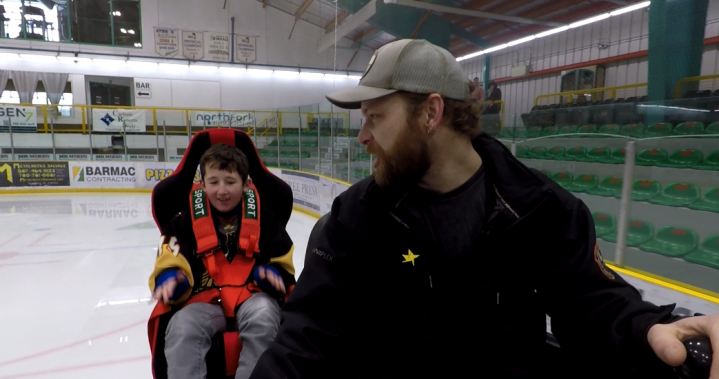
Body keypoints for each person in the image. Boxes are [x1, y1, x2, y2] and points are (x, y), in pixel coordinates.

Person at [249, 39, 719, 378]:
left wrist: (651, 327)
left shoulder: (542, 210)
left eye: (375, 117)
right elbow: (306, 338)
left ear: (430, 114)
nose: (363, 136)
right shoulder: (355, 220)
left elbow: (592, 304)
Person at [149, 143, 296, 379]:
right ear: (202, 184)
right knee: (182, 326)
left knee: (265, 316)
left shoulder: (265, 220)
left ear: (247, 184)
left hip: (252, 298)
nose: (222, 190)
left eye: (230, 181)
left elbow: (283, 261)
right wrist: (171, 280)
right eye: (214, 182)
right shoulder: (182, 222)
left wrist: (272, 276)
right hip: (203, 300)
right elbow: (169, 257)